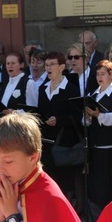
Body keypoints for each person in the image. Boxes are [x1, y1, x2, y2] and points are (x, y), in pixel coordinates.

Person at [37, 51, 82, 204]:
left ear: (62, 66)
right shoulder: (42, 89)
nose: (48, 68)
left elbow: (76, 116)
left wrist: (59, 120)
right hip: (47, 143)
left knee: (64, 183)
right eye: (46, 65)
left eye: (52, 65)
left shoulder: (71, 89)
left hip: (64, 145)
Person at [85, 59, 112, 208]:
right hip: (96, 146)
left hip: (111, 147)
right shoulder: (93, 94)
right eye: (97, 74)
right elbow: (86, 122)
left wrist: (99, 115)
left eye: (103, 74)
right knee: (99, 185)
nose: (99, 77)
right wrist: (88, 117)